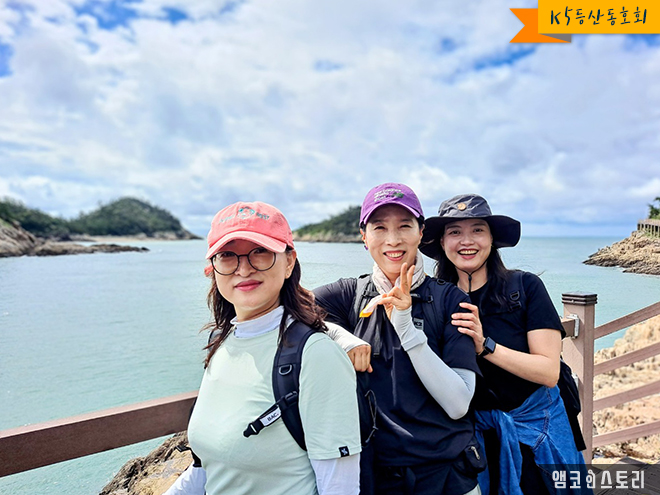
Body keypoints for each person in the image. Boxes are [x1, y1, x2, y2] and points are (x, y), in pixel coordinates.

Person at [313, 183, 483, 495]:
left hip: (446, 475)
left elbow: (458, 404)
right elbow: (288, 307)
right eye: (379, 228)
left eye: (405, 226)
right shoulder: (348, 295)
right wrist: (341, 337)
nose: (393, 240)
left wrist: (407, 330)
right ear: (364, 237)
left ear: (421, 233)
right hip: (374, 476)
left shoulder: (449, 300)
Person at [186, 201, 362, 495]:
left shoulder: (317, 355)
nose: (244, 268)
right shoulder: (222, 342)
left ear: (289, 262)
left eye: (260, 251)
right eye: (227, 255)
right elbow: (207, 469)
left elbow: (339, 487)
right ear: (212, 268)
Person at [420, 193, 588, 495]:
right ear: (443, 243)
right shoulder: (433, 300)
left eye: (477, 230)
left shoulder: (525, 288)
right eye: (455, 232)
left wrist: (485, 346)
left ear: (492, 239)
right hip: (470, 438)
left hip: (535, 432)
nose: (466, 241)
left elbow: (549, 372)